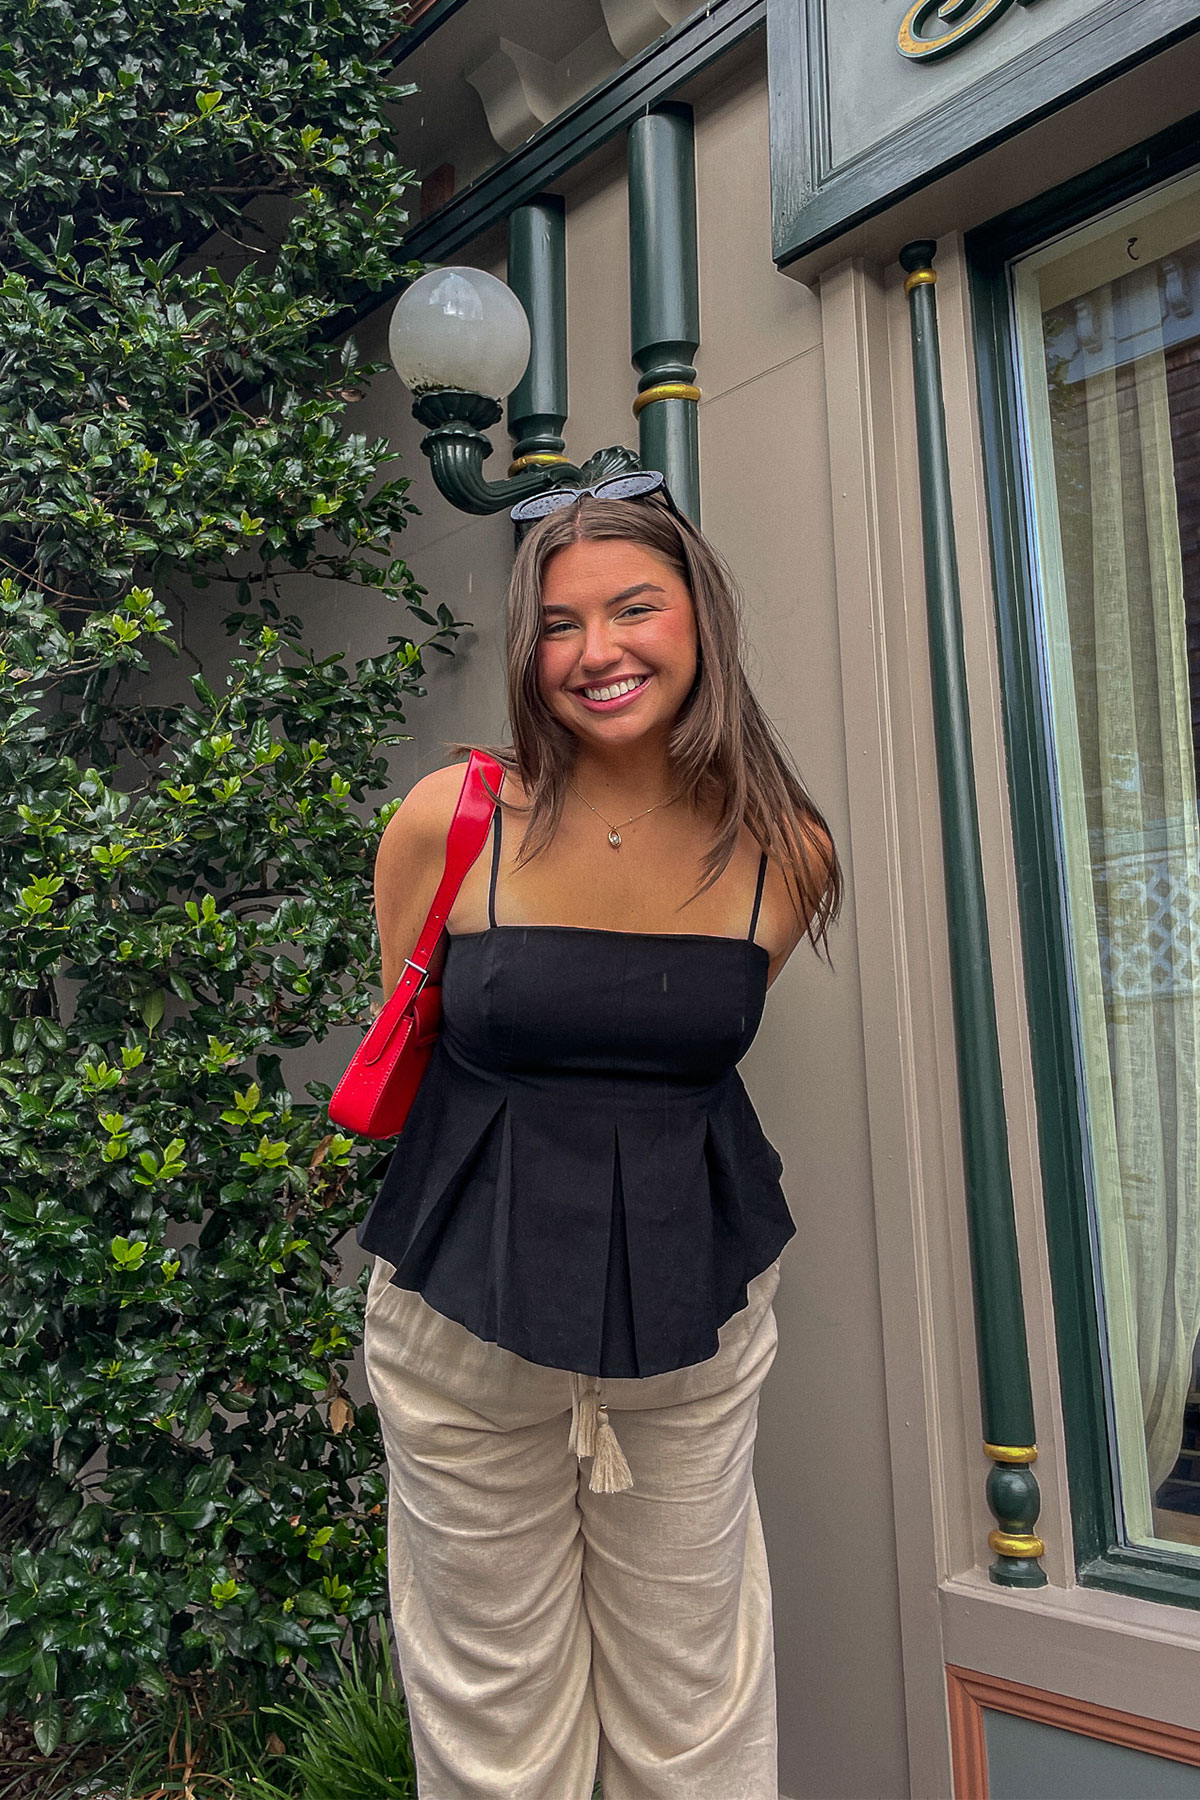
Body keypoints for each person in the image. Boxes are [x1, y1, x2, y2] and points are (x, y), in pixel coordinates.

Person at [358, 475, 841, 1800]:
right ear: (529, 651)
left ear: (701, 620)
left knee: (695, 1698)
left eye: (635, 607)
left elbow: (679, 1062)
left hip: (694, 1320)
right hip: (464, 1321)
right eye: (560, 624)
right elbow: (418, 1025)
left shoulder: (787, 853)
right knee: (490, 1710)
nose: (599, 651)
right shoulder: (447, 823)